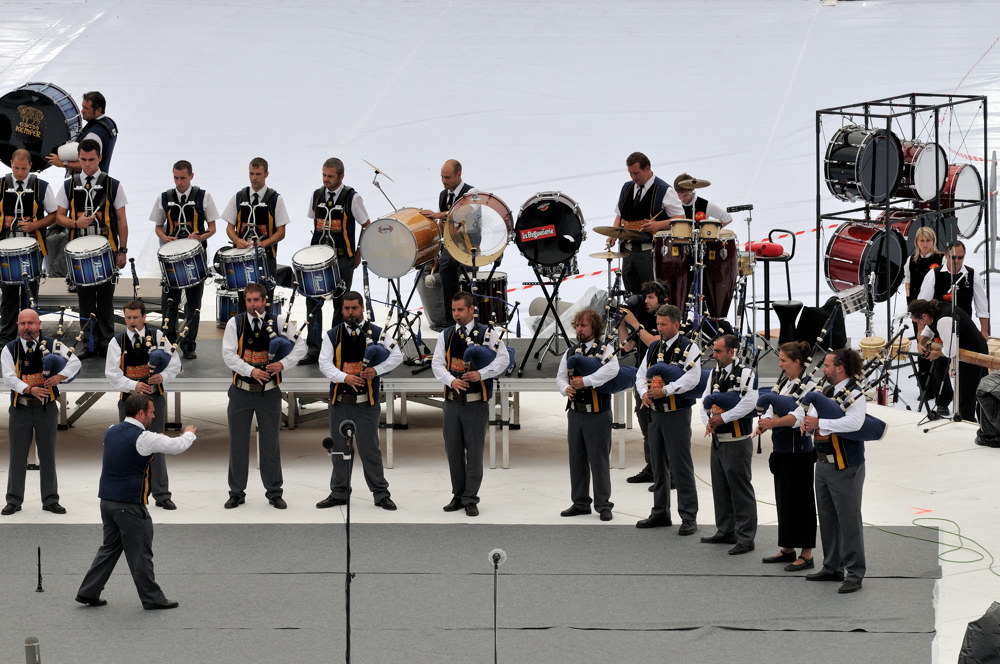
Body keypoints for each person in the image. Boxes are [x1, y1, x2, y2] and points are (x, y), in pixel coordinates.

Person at [75, 394, 196, 610]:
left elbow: (130, 447)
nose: (153, 415)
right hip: (129, 504)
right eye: (151, 412)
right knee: (140, 552)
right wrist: (189, 434)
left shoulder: (112, 430)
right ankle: (152, 598)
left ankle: (89, 591)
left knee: (109, 548)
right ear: (140, 413)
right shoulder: (144, 438)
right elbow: (176, 446)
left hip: (107, 501)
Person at [222, 282, 305, 509]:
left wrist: (282, 363)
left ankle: (274, 492)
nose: (253, 305)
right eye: (249, 301)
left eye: (257, 300)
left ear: (265, 301)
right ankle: (236, 492)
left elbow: (301, 347)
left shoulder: (279, 322)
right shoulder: (235, 323)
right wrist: (251, 371)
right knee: (238, 445)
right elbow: (228, 355)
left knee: (270, 445)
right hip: (241, 392)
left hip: (269, 394)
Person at [317, 291, 403, 510]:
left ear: (362, 308)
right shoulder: (332, 335)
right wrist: (344, 377)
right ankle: (339, 492)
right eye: (346, 309)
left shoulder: (377, 333)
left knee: (370, 450)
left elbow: (397, 356)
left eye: (354, 308)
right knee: (339, 450)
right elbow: (324, 364)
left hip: (366, 403)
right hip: (340, 402)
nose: (350, 313)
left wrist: (376, 370)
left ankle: (380, 493)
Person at [794, 348, 867, 594]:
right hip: (823, 462)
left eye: (826, 366)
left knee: (848, 520)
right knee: (827, 517)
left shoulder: (855, 393)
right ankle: (832, 565)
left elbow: (855, 423)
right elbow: (813, 416)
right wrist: (807, 424)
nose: (823, 370)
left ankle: (855, 572)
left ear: (840, 368)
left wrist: (820, 423)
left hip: (845, 464)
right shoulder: (826, 392)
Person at [432, 291, 508, 517]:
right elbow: (437, 364)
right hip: (453, 402)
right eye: (454, 310)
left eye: (460, 310)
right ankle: (458, 494)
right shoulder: (445, 335)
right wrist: (451, 380)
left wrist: (481, 375)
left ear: (471, 310)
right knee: (453, 450)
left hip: (476, 404)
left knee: (474, 452)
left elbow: (503, 359)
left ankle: (471, 497)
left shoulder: (488, 333)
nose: (456, 314)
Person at [54, 138, 129, 357]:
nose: (87, 164)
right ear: (78, 158)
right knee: (85, 300)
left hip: (107, 251)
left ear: (100, 158)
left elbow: (122, 220)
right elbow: (59, 216)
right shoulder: (69, 184)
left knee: (106, 300)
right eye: (83, 159)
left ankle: (106, 344)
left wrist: (122, 250)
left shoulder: (113, 184)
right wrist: (76, 223)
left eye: (91, 160)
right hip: (79, 253)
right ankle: (89, 342)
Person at [104, 299, 182, 510]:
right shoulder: (117, 342)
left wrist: (162, 377)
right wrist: (134, 385)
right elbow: (112, 374)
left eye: (135, 317)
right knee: (128, 448)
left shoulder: (157, 336)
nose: (131, 322)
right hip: (129, 402)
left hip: (154, 401)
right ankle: (129, 493)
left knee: (157, 446)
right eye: (128, 318)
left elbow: (175, 364)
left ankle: (162, 494)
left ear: (144, 317)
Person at [1, 308, 80, 515]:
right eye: (22, 323)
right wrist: (29, 389)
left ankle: (50, 500)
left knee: (47, 455)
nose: (27, 327)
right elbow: (9, 377)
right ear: (17, 326)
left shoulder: (54, 345)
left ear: (39, 325)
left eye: (31, 323)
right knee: (18, 456)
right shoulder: (10, 349)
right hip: (20, 409)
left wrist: (60, 377)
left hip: (47, 409)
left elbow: (75, 362)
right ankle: (14, 499)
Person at [634, 304, 701, 534]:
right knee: (658, 465)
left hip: (677, 414)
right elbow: (641, 374)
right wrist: (644, 392)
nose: (659, 328)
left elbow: (693, 378)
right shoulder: (654, 347)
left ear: (676, 324)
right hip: (656, 413)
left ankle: (688, 516)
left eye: (663, 324)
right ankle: (660, 512)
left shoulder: (689, 347)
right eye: (658, 324)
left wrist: (666, 390)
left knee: (681, 466)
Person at [300, 158, 371, 365]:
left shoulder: (352, 197)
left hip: (342, 258)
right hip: (318, 259)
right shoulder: (317, 195)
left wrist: (359, 251)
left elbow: (366, 224)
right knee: (313, 302)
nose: (326, 180)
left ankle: (334, 348)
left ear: (341, 176)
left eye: (330, 176)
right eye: (324, 175)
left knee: (340, 304)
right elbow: (314, 220)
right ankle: (314, 349)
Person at [754, 341, 817, 572]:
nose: (779, 364)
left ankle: (807, 553)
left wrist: (773, 423)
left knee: (802, 502)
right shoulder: (783, 381)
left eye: (783, 360)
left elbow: (798, 417)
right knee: (784, 501)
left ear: (797, 362)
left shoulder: (809, 386)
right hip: (781, 451)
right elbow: (771, 404)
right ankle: (788, 547)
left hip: (798, 454)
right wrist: (764, 423)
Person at [150, 160, 219, 360]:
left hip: (195, 258)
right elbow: (158, 226)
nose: (179, 182)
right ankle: (168, 342)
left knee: (193, 303)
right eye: (176, 178)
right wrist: (164, 237)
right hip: (171, 260)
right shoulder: (164, 197)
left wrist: (200, 237)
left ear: (191, 176)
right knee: (169, 302)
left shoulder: (203, 196)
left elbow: (212, 228)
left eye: (183, 177)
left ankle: (189, 344)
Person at [556, 308, 618, 521]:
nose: (579, 329)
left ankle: (603, 504)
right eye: (577, 325)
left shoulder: (605, 349)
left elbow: (612, 370)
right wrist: (566, 389)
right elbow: (560, 376)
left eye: (584, 325)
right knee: (577, 459)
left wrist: (586, 381)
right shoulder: (571, 352)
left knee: (599, 460)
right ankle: (580, 502)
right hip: (575, 414)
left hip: (597, 414)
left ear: (595, 328)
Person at [699, 334, 758, 554]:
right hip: (718, 440)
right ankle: (725, 530)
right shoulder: (714, 373)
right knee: (720, 488)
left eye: (718, 351)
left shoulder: (746, 374)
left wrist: (722, 418)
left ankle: (746, 537)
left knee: (740, 490)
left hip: (737, 441)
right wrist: (708, 421)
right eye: (714, 350)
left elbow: (749, 403)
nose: (713, 355)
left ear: (731, 352)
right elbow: (705, 401)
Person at [0, 149, 58, 345]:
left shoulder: (41, 186)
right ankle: (7, 337)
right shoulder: (1, 185)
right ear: (10, 164)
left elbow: (54, 214)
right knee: (8, 294)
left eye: (23, 168)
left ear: (30, 166)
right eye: (16, 168)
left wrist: (35, 225)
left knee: (30, 294)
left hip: (32, 249)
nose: (19, 172)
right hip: (6, 248)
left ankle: (31, 336)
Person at [604, 152, 683, 294]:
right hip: (627, 252)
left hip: (649, 252)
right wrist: (613, 234)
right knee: (631, 294)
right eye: (630, 174)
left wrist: (658, 225)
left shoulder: (664, 190)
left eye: (636, 173)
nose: (633, 178)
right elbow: (620, 214)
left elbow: (681, 218)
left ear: (647, 168)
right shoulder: (626, 187)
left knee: (650, 294)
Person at [618, 280, 669, 484]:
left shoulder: (666, 319)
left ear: (661, 299)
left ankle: (666, 472)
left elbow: (655, 343)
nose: (646, 301)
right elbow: (627, 346)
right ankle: (652, 468)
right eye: (645, 297)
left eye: (651, 297)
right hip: (642, 380)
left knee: (660, 429)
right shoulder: (643, 320)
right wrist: (623, 323)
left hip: (660, 381)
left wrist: (636, 324)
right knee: (646, 427)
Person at [221, 157, 290, 302]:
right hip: (241, 258)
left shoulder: (276, 199)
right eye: (251, 173)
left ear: (266, 174)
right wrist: (236, 240)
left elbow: (281, 232)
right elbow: (229, 227)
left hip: (266, 258)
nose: (254, 178)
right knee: (243, 300)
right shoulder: (238, 197)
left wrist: (263, 244)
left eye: (258, 174)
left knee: (266, 300)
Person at [909, 298, 988, 422]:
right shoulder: (934, 312)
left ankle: (968, 422)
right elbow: (929, 330)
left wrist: (936, 354)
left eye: (918, 321)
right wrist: (921, 343)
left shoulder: (944, 320)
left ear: (924, 315)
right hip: (965, 350)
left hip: (974, 351)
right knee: (970, 391)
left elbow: (950, 351)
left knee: (968, 393)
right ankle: (972, 421)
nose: (919, 324)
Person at [418, 159, 474, 330]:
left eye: (448, 177)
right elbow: (443, 226)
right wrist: (437, 253)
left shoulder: (471, 193)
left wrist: (438, 214)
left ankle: (471, 323)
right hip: (450, 248)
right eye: (442, 177)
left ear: (459, 174)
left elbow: (461, 212)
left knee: (467, 286)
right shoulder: (444, 195)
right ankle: (451, 325)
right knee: (448, 283)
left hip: (468, 247)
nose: (444, 181)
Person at [917, 240, 989, 338]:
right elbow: (922, 305)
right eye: (953, 257)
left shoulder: (972, 275)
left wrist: (984, 330)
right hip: (938, 330)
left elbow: (981, 305)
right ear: (946, 256)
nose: (957, 261)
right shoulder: (933, 275)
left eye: (960, 257)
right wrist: (921, 331)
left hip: (964, 328)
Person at [45, 90, 119, 173]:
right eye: (83, 107)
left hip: (88, 183)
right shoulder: (110, 123)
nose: (82, 111)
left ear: (98, 110)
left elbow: (88, 165)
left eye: (86, 108)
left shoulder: (93, 135)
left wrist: (62, 163)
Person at [643, 172, 733, 233]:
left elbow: (727, 218)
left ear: (693, 190)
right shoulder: (671, 204)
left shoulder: (706, 205)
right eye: (679, 196)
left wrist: (710, 232)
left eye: (685, 195)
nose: (681, 199)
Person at [902, 225, 942, 303]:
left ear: (933, 241)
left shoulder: (942, 259)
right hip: (916, 302)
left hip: (935, 303)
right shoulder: (910, 260)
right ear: (917, 241)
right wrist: (908, 298)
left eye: (928, 240)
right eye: (922, 240)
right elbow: (908, 280)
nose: (925, 244)